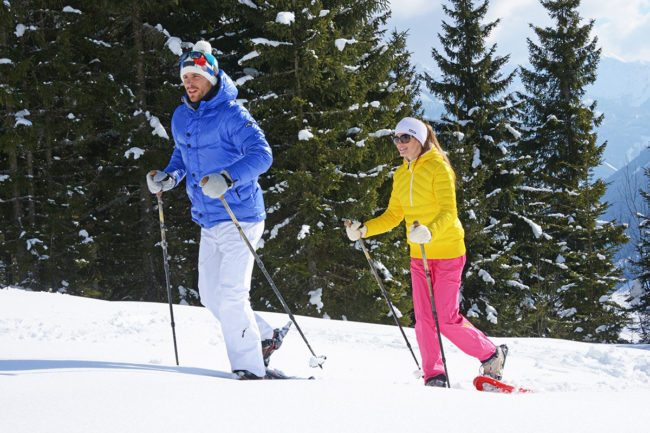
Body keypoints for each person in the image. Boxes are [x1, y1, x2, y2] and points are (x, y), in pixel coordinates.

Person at [146, 40, 286, 380]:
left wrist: (228, 177)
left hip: (241, 215)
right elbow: (181, 155)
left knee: (232, 293)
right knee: (210, 294)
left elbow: (262, 155)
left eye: (196, 75)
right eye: (185, 77)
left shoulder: (233, 115)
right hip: (208, 217)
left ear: (211, 77)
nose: (190, 83)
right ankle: (264, 336)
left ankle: (249, 369)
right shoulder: (181, 116)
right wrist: (169, 178)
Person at [345, 117, 507, 387]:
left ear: (419, 139)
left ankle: (491, 354)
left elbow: (448, 212)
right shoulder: (401, 174)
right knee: (423, 320)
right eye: (396, 139)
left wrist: (430, 231)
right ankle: (434, 375)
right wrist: (365, 230)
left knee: (445, 318)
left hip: (448, 251)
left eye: (404, 138)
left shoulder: (438, 168)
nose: (399, 144)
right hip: (419, 255)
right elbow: (394, 215)